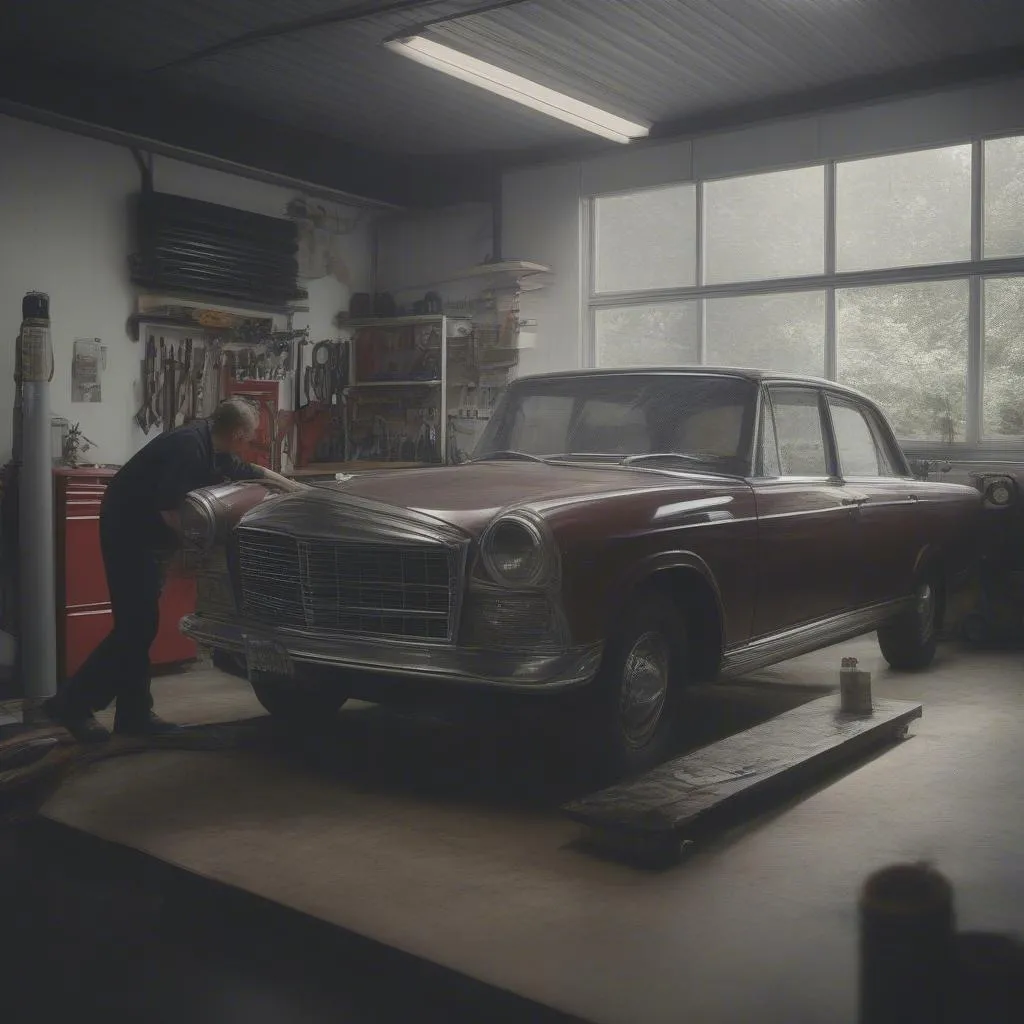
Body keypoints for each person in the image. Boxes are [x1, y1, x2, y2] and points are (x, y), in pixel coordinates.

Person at [43, 398, 305, 743]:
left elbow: (248, 471)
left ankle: (133, 714)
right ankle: (72, 703)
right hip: (128, 532)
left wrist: (294, 488)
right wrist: (195, 551)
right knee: (136, 626)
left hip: (142, 530)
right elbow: (169, 512)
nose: (252, 441)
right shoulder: (189, 449)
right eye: (252, 435)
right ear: (239, 432)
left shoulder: (213, 444)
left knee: (138, 626)